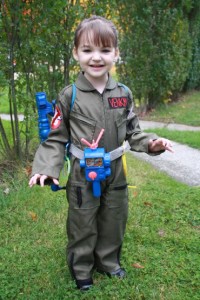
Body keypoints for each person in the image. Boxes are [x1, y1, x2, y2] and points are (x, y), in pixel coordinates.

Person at [29, 15, 173, 291]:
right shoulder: (69, 95)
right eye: (87, 50)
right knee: (82, 221)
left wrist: (152, 143)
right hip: (84, 172)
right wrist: (46, 168)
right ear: (76, 53)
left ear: (116, 54)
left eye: (105, 50)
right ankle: (81, 268)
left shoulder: (123, 93)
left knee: (114, 218)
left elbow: (134, 132)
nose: (96, 58)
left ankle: (108, 261)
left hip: (116, 168)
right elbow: (56, 137)